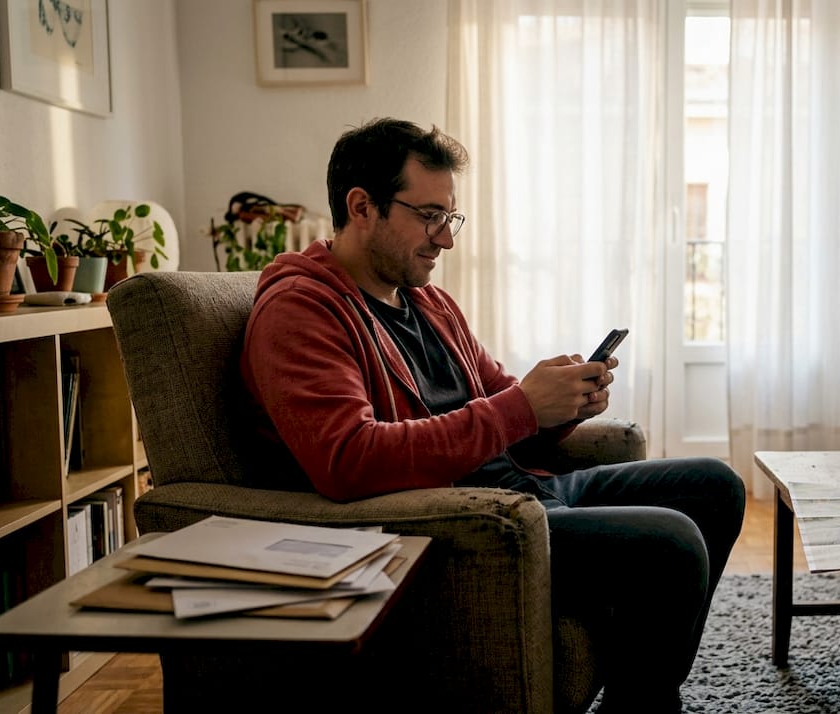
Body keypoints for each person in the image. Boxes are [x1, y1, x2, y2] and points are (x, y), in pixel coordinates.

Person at [239, 117, 746, 712]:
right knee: (673, 543)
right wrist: (520, 408)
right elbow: (347, 460)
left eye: (448, 218)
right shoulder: (301, 312)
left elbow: (501, 399)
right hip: (467, 523)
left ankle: (637, 687)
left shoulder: (426, 300)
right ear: (362, 207)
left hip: (522, 493)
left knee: (714, 485)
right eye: (429, 216)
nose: (446, 239)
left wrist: (561, 404)